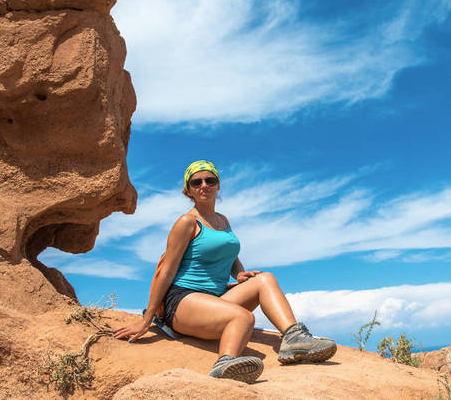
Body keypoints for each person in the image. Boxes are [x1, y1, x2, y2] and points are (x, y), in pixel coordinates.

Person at [113, 160, 336, 383]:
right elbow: (167, 272)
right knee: (243, 318)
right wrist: (146, 321)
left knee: (265, 279)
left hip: (216, 299)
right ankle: (225, 363)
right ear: (188, 190)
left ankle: (294, 339)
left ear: (218, 185)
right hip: (182, 301)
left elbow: (230, 255)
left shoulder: (223, 220)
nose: (204, 185)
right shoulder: (186, 222)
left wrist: (239, 273)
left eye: (210, 180)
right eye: (196, 182)